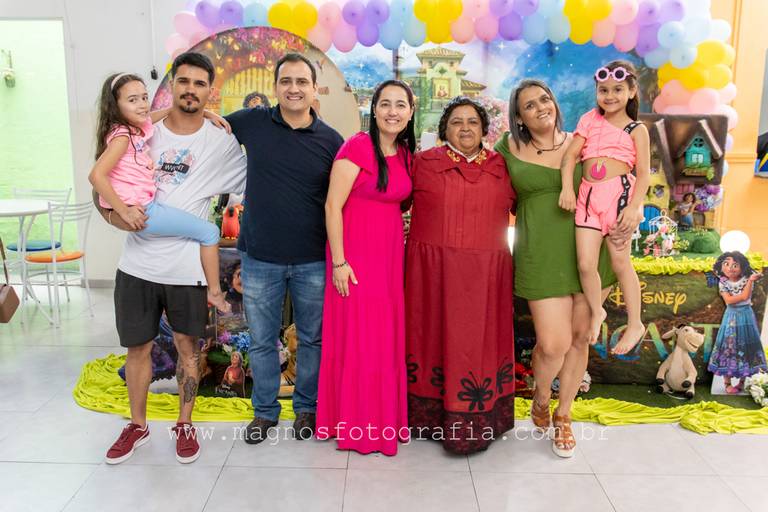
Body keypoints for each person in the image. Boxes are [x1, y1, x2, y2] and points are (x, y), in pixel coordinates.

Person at [94, 52, 247, 464]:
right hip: (137, 266)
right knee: (137, 349)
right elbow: (99, 187)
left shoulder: (221, 143)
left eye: (199, 83)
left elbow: (256, 182)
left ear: (209, 90)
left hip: (187, 270)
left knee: (188, 350)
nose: (190, 90)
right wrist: (116, 217)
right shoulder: (141, 132)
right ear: (172, 85)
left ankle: (184, 422)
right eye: (184, 81)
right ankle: (138, 425)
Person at [495, 79, 632, 458]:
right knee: (553, 343)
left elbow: (621, 177)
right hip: (540, 253)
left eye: (544, 99)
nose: (540, 107)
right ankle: (541, 396)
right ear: (518, 117)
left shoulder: (585, 140)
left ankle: (564, 415)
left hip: (591, 252)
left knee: (580, 338)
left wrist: (630, 214)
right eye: (529, 105)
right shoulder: (507, 148)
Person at [224, 53, 344, 444]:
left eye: (301, 81)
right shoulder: (252, 122)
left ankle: (306, 408)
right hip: (260, 256)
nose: (294, 88)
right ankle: (264, 412)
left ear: (314, 89)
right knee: (262, 340)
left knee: (312, 340)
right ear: (276, 86)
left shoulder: (331, 141)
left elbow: (342, 201)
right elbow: (201, 125)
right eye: (286, 81)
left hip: (313, 259)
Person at [406, 96, 515, 455]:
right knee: (431, 337)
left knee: (477, 345)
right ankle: (426, 419)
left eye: (472, 121)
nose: (465, 128)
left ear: (484, 129)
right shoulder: (422, 163)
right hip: (432, 276)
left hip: (486, 278)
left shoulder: (503, 166)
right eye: (456, 122)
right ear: (444, 129)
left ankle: (481, 419)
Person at [316, 80, 415, 456]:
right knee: (359, 336)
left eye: (400, 105)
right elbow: (332, 207)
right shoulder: (356, 146)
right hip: (354, 256)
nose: (393, 111)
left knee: (383, 337)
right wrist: (339, 262)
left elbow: (399, 201)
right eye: (385, 104)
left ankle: (382, 419)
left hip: (388, 257)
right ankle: (354, 424)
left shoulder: (405, 154)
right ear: (373, 110)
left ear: (410, 112)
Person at [89, 72, 231, 313]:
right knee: (210, 232)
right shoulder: (122, 137)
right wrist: (125, 211)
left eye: (144, 97)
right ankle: (215, 293)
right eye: (132, 100)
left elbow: (159, 114)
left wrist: (206, 113)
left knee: (206, 232)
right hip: (145, 212)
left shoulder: (132, 130)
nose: (142, 105)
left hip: (146, 207)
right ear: (115, 105)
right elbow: (96, 176)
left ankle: (212, 291)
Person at [558, 60, 649, 356]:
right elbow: (570, 157)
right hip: (587, 198)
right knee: (586, 264)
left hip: (618, 197)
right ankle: (597, 310)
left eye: (618, 89)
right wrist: (568, 188)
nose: (610, 96)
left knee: (620, 262)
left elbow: (644, 175)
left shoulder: (637, 129)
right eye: (604, 90)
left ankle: (635, 323)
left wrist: (633, 207)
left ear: (631, 91)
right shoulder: (589, 120)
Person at [708, 251, 767, 393]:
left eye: (735, 265)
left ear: (742, 267)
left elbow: (746, 296)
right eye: (726, 264)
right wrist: (750, 282)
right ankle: (727, 382)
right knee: (729, 346)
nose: (730, 268)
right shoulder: (723, 282)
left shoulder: (747, 279)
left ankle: (742, 382)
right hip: (731, 317)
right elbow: (730, 300)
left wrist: (751, 279)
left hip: (746, 316)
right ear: (721, 266)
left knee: (746, 346)